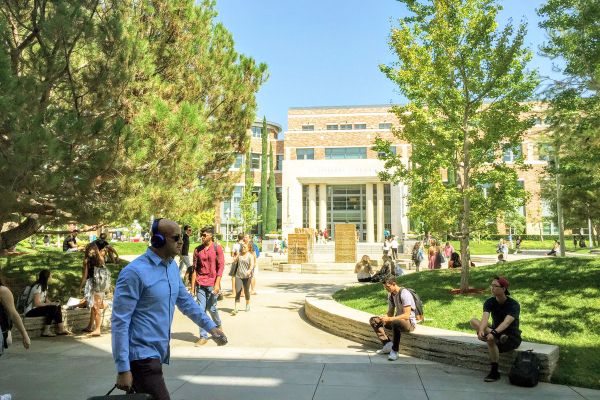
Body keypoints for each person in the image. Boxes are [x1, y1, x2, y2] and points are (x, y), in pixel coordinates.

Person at [112, 218, 225, 400]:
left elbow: (185, 301)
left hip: (157, 354)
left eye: (181, 236)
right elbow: (120, 321)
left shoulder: (171, 266)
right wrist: (123, 368)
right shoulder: (134, 272)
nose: (182, 241)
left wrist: (211, 327)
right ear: (158, 240)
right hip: (141, 357)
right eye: (176, 237)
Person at [469, 277, 521, 382]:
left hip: (511, 337)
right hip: (497, 334)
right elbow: (485, 318)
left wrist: (493, 332)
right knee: (473, 321)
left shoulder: (514, 305)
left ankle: (494, 371)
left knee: (491, 338)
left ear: (503, 289)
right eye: (491, 286)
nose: (492, 288)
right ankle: (495, 372)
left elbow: (506, 322)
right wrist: (481, 330)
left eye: (495, 286)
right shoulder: (489, 302)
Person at [369, 276, 417, 361]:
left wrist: (390, 319)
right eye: (385, 287)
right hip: (397, 321)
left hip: (409, 323)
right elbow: (390, 312)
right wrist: (384, 317)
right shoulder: (390, 294)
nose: (386, 289)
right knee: (374, 320)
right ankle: (387, 344)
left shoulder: (404, 294)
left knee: (395, 322)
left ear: (394, 284)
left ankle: (395, 351)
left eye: (388, 286)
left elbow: (406, 315)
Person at [191, 226, 224, 347]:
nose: (202, 237)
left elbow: (221, 267)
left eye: (204, 235)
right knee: (201, 310)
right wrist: (192, 287)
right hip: (200, 283)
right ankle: (203, 336)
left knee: (212, 308)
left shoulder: (217, 248)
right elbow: (194, 269)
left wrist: (217, 284)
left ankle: (218, 324)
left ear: (211, 235)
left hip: (212, 283)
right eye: (202, 235)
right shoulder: (197, 250)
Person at [24, 270, 73, 336]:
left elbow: (45, 299)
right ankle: (46, 330)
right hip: (30, 311)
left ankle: (61, 328)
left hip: (37, 308)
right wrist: (50, 304)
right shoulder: (37, 287)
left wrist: (53, 303)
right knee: (52, 308)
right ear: (47, 277)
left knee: (56, 306)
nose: (51, 277)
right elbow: (36, 303)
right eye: (51, 276)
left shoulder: (44, 286)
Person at [79, 243, 110, 337]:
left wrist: (80, 286)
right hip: (101, 285)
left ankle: (97, 329)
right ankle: (90, 326)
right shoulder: (101, 259)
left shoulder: (86, 260)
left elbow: (85, 275)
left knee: (95, 307)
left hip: (93, 285)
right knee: (93, 306)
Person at [230, 243, 254, 314]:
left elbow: (252, 265)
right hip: (238, 276)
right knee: (238, 291)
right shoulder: (239, 254)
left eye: (244, 247)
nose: (243, 248)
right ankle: (236, 308)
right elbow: (234, 260)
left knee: (246, 292)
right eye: (242, 247)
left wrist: (249, 270)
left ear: (249, 248)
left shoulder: (250, 256)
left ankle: (247, 305)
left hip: (247, 277)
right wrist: (227, 262)